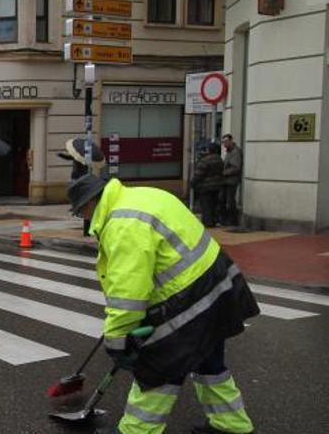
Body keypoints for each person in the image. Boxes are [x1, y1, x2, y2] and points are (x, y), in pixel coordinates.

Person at [68, 174, 259, 434]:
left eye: (81, 212)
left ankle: (136, 431)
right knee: (208, 361)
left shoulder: (123, 224)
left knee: (157, 368)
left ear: (90, 203)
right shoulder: (143, 195)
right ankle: (232, 426)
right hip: (219, 282)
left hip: (190, 297)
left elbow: (128, 292)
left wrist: (117, 339)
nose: (84, 218)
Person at [191, 143, 225, 228]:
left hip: (205, 187)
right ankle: (213, 221)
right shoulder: (219, 159)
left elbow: (199, 174)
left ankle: (208, 223)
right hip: (217, 186)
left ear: (209, 150)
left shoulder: (205, 160)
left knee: (206, 205)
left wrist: (193, 183)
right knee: (213, 204)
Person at [221, 134, 243, 226]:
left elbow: (236, 167)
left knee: (230, 201)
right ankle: (227, 219)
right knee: (224, 199)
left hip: (232, 180)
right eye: (223, 142)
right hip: (227, 180)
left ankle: (233, 220)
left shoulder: (235, 152)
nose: (224, 144)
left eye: (226, 142)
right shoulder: (229, 152)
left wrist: (224, 172)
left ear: (231, 141)